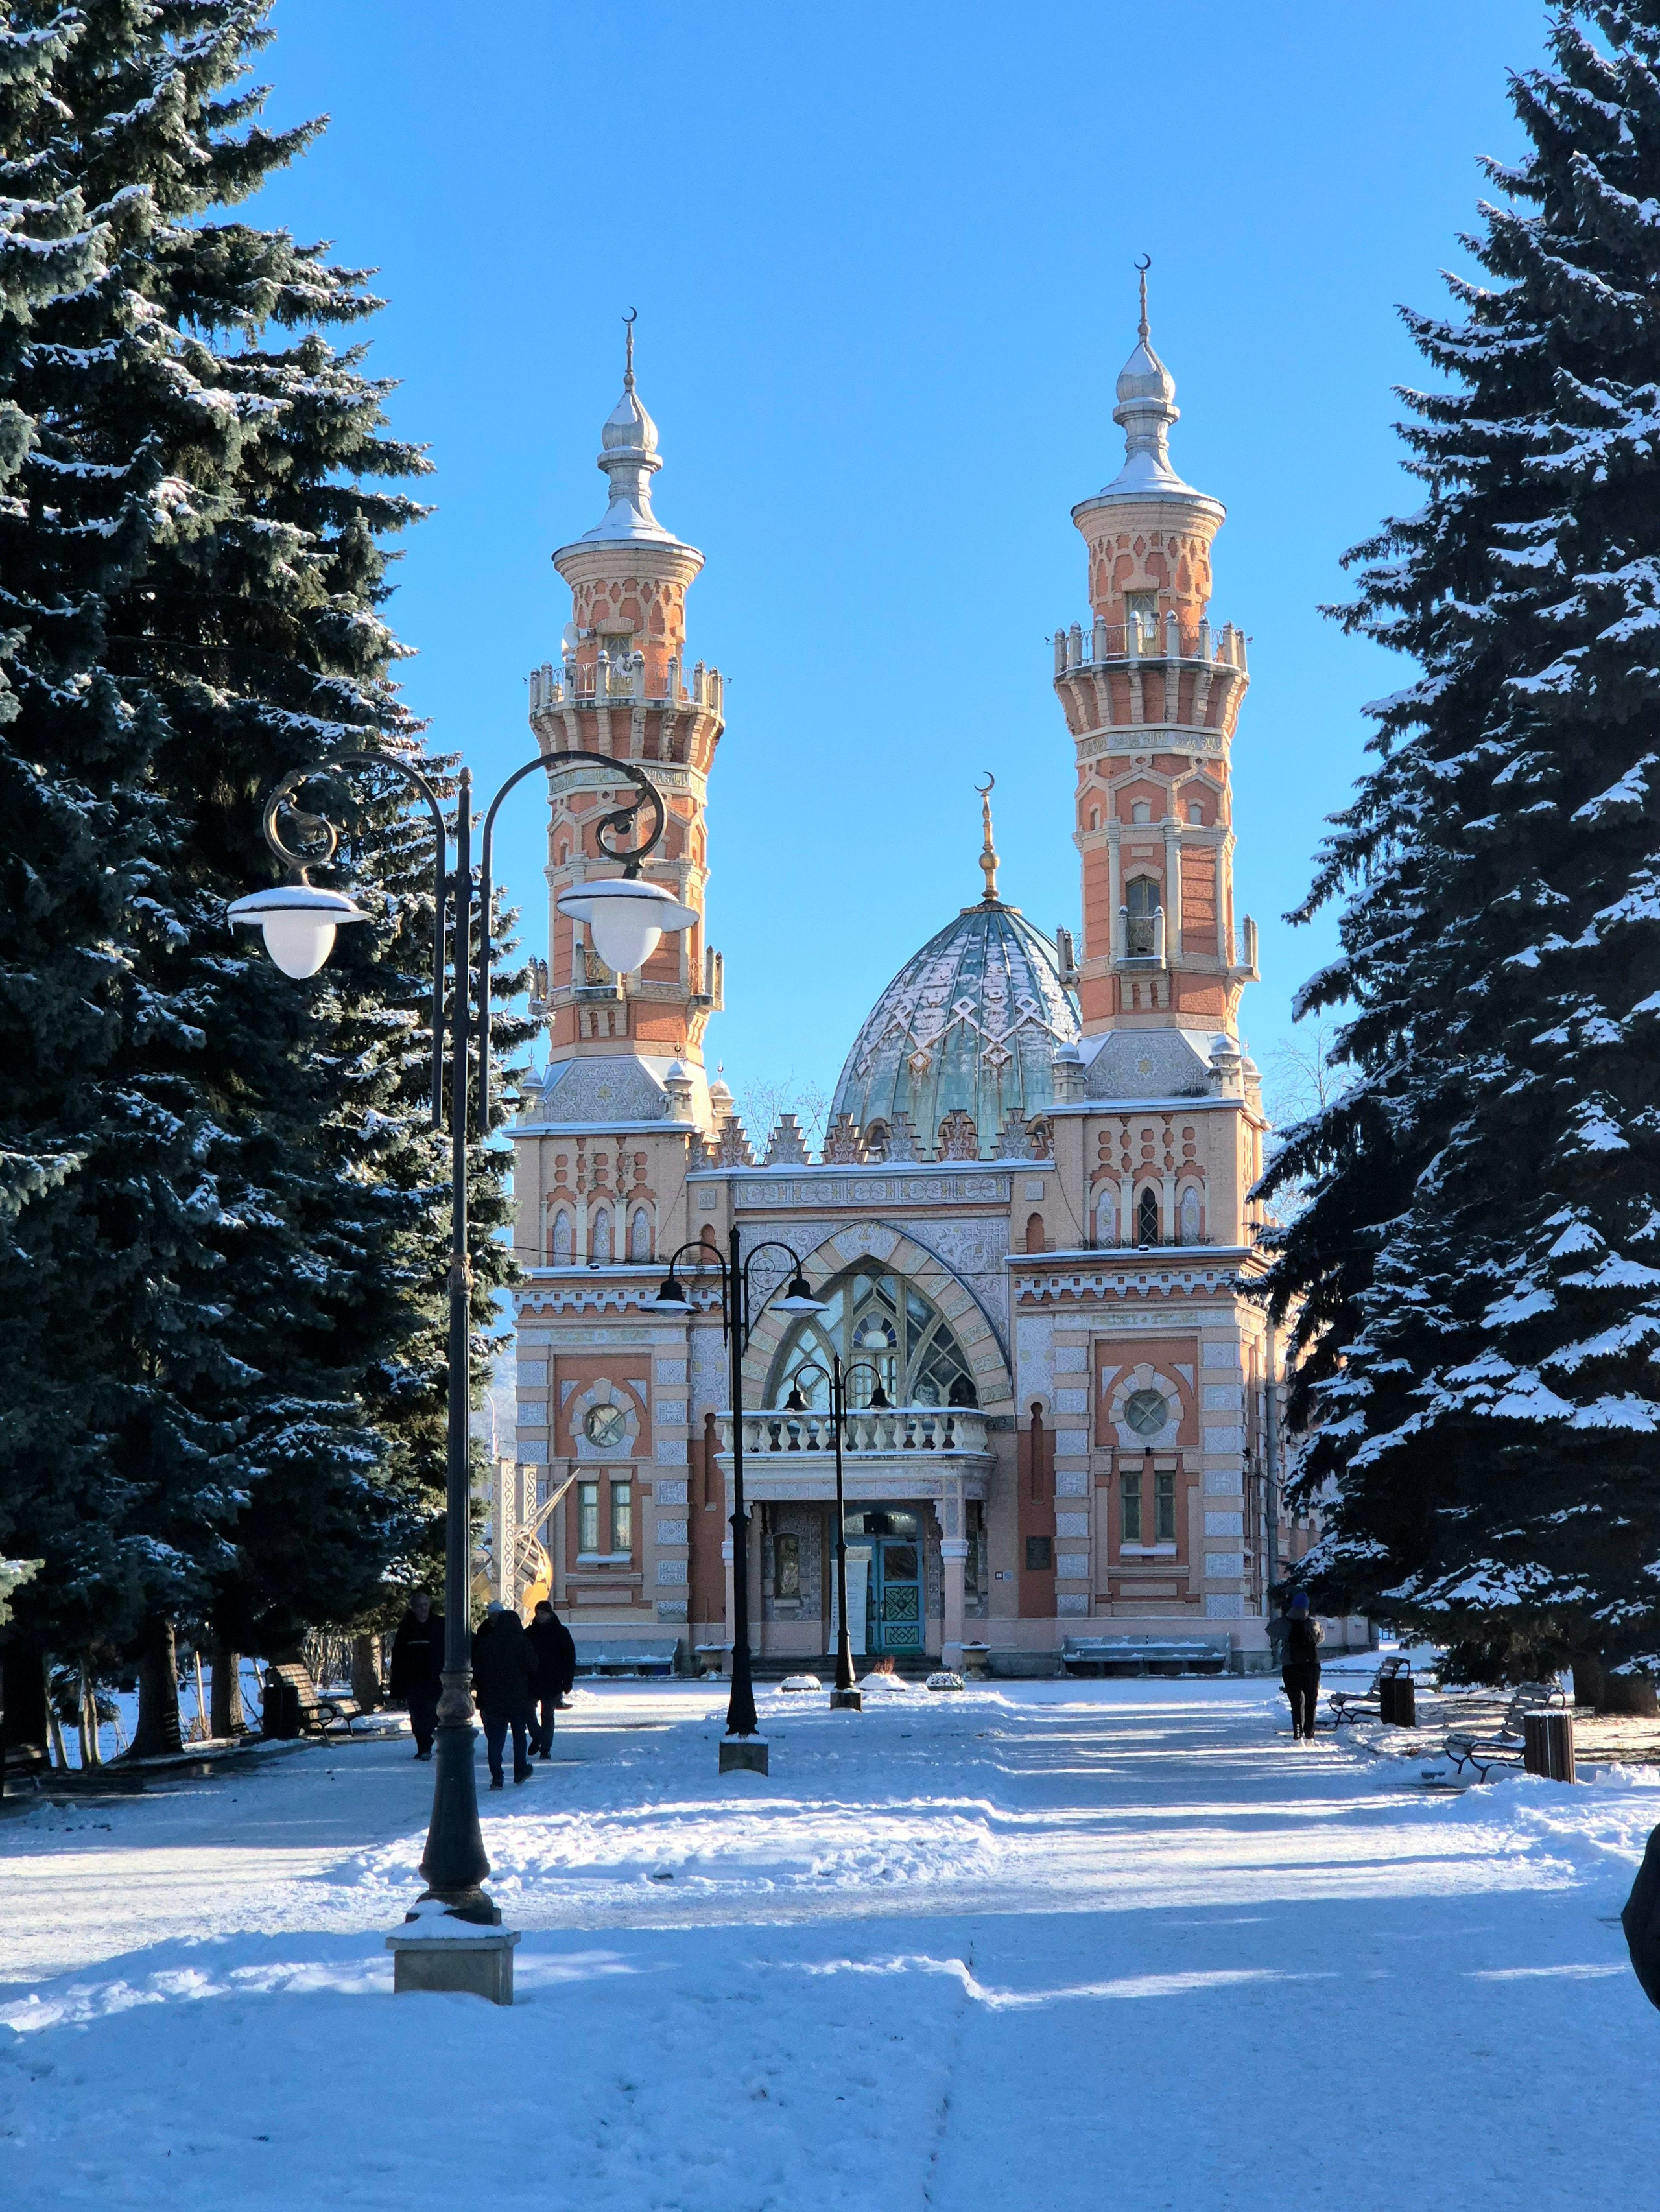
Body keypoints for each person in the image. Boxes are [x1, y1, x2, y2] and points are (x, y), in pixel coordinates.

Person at [471, 1599, 537, 1788]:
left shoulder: (486, 1642)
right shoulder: (522, 1642)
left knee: (496, 1738)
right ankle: (520, 1770)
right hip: (517, 1697)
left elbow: (477, 1668)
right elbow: (533, 1667)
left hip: (491, 1698)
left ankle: (497, 1777)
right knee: (519, 1735)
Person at [388, 1590, 444, 1760]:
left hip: (436, 1679)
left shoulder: (440, 1625)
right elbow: (398, 1658)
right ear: (413, 1608)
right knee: (418, 1716)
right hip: (414, 1680)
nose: (423, 1608)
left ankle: (429, 1742)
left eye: (426, 1604)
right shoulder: (406, 1628)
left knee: (435, 1714)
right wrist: (397, 1691)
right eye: (419, 1605)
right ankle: (423, 1747)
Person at [525, 1599, 576, 1758]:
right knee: (528, 1711)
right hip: (532, 1680)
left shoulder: (560, 1632)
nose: (539, 1616)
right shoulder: (529, 1633)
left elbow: (569, 1657)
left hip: (552, 1680)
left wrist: (567, 1681)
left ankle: (545, 1748)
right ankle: (538, 1736)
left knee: (547, 1715)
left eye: (543, 1613)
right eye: (537, 1613)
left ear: (549, 1614)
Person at [1276, 1589, 1325, 1741]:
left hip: (1290, 1667)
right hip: (1311, 1667)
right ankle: (1310, 1734)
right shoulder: (1313, 1624)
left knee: (1296, 1702)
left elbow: (1271, 1632)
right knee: (1311, 1701)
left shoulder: (1283, 1623)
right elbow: (1320, 1639)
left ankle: (1298, 1732)